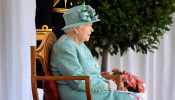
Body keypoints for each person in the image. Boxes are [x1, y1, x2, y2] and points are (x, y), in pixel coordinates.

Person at [50, 4, 140, 100]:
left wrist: (106, 83)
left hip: (89, 91)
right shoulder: (65, 47)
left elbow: (92, 74)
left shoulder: (79, 43)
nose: (92, 30)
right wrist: (106, 86)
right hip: (77, 94)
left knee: (135, 97)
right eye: (89, 25)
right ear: (76, 28)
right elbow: (78, 82)